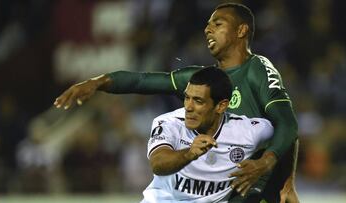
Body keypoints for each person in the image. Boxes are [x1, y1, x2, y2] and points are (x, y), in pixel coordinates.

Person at [54, 3, 299, 203]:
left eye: (217, 24)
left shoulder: (257, 69)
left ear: (241, 30)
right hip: (210, 188)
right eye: (207, 24)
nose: (207, 30)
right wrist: (98, 82)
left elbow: (287, 125)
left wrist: (284, 179)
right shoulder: (199, 82)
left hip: (251, 185)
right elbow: (141, 81)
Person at [142, 67, 274, 203]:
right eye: (187, 98)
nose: (188, 107)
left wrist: (265, 165)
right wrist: (189, 154)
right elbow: (157, 163)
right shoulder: (170, 122)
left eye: (198, 101)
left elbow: (286, 132)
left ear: (221, 106)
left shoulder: (247, 131)